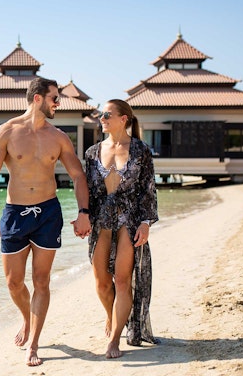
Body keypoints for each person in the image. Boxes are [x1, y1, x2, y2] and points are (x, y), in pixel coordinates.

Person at [0, 77, 91, 366]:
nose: (59, 103)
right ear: (37, 99)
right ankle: (25, 319)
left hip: (48, 213)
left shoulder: (59, 137)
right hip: (15, 214)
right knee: (13, 283)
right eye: (55, 98)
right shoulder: (6, 132)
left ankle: (34, 344)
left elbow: (78, 176)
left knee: (41, 281)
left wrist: (83, 213)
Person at [84, 99, 159, 359]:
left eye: (106, 114)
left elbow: (149, 188)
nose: (101, 118)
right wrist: (82, 216)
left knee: (123, 280)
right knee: (103, 283)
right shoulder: (92, 152)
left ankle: (115, 339)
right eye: (100, 115)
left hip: (129, 220)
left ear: (123, 118)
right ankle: (111, 316)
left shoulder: (141, 150)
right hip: (101, 221)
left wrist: (146, 223)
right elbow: (88, 193)